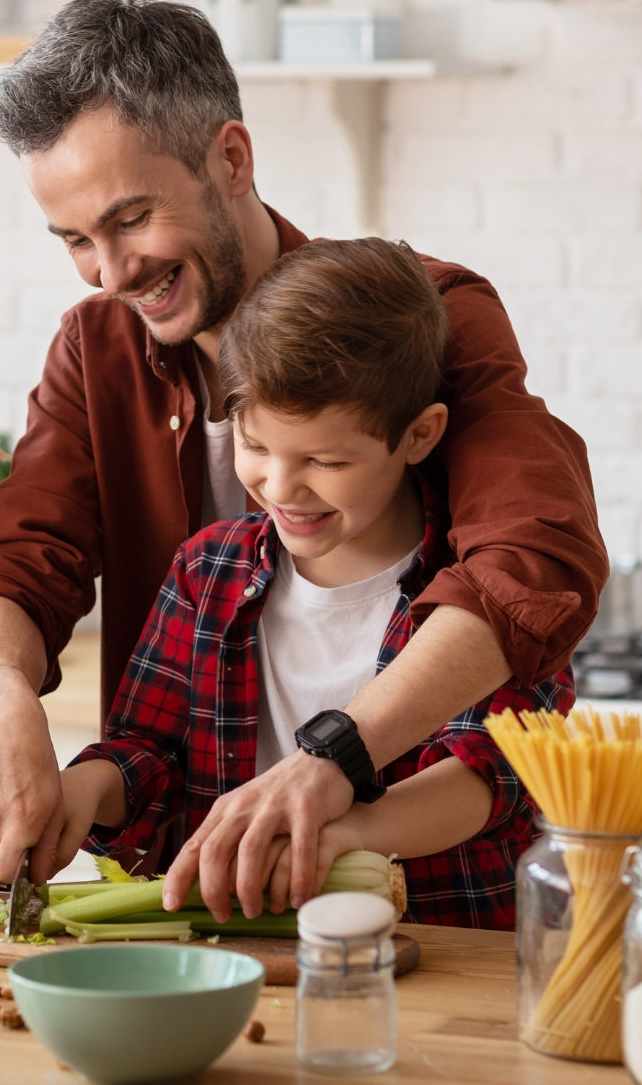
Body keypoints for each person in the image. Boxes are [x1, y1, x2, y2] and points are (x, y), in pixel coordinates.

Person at [0, 0, 607, 912]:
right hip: (203, 909)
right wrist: (2, 706)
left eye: (131, 219)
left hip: (431, 905)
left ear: (232, 159)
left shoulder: (426, 316)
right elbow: (15, 567)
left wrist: (334, 763)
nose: (111, 272)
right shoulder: (96, 350)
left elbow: (534, 557)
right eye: (76, 240)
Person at [58, 237, 572, 928]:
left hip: (448, 951)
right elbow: (149, 756)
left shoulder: (477, 590)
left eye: (326, 460)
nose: (280, 485)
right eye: (255, 443)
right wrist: (81, 790)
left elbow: (494, 773)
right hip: (252, 956)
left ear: (419, 436)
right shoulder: (205, 571)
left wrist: (343, 834)